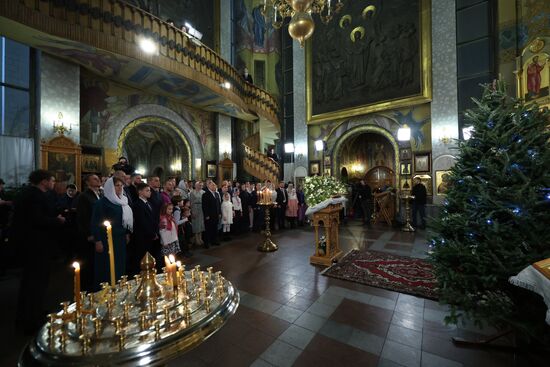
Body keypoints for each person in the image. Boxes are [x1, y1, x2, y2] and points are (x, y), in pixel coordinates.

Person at [13, 170, 66, 333]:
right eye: (51, 180)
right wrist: (57, 220)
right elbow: (37, 219)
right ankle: (30, 319)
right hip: (36, 245)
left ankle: (33, 312)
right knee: (35, 282)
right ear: (44, 182)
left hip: (34, 245)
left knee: (34, 282)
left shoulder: (30, 193)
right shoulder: (35, 196)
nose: (53, 183)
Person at [91, 177, 133, 289]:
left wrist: (127, 233)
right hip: (107, 239)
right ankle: (105, 290)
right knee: (107, 265)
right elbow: (96, 222)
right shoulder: (102, 203)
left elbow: (124, 220)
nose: (120, 187)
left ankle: (119, 286)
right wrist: (98, 240)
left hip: (120, 239)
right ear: (110, 187)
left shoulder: (123, 201)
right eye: (117, 185)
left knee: (119, 264)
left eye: (121, 185)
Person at [75, 174, 101, 291]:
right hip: (89, 236)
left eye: (98, 178)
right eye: (94, 179)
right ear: (87, 182)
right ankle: (86, 291)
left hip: (98, 232)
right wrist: (89, 234)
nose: (98, 180)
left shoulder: (99, 195)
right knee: (88, 264)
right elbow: (83, 217)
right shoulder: (84, 196)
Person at [129, 183, 158, 275]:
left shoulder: (148, 203)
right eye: (147, 190)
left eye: (149, 190)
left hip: (150, 234)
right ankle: (141, 274)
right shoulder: (137, 205)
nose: (150, 192)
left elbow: (152, 219)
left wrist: (155, 232)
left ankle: (149, 272)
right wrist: (152, 233)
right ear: (140, 192)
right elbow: (142, 222)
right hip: (142, 236)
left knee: (149, 255)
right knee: (142, 256)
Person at [202, 181, 221, 248]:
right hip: (209, 215)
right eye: (213, 185)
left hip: (216, 214)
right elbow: (204, 206)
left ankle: (214, 241)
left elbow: (218, 204)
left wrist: (219, 213)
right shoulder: (205, 194)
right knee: (208, 229)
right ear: (209, 186)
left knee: (214, 228)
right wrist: (206, 215)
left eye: (215, 185)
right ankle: (207, 243)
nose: (214, 186)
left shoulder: (216, 194)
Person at [189, 181, 205, 247]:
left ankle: (200, 238)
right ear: (196, 185)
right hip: (195, 208)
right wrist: (192, 212)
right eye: (199, 185)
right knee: (196, 224)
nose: (200, 187)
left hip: (201, 208)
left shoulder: (203, 192)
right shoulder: (192, 192)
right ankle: (196, 239)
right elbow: (191, 203)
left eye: (201, 185)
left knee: (201, 224)